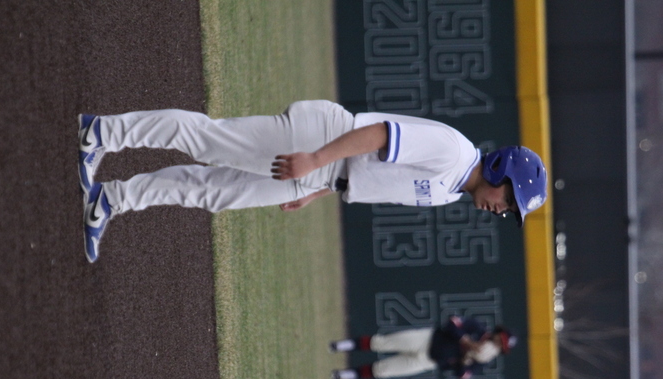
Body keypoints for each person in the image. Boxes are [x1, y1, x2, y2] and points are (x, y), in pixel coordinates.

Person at [77, 101, 548, 262]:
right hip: (322, 139)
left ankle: (112, 198)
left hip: (324, 171)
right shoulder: (454, 154)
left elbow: (373, 169)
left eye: (510, 209)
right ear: (501, 172)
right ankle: (101, 132)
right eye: (510, 200)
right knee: (208, 140)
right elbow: (380, 134)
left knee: (213, 192)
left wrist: (319, 189)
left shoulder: (452, 191)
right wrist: (315, 158)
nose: (503, 210)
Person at [328, 316, 517, 379]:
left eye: (502, 346)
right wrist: (466, 341)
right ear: (497, 333)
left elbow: (462, 375)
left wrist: (466, 359)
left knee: (383, 371)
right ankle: (340, 346)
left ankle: (342, 375)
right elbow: (451, 323)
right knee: (381, 343)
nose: (499, 345)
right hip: (426, 339)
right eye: (500, 340)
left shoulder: (483, 360)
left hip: (428, 362)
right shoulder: (477, 328)